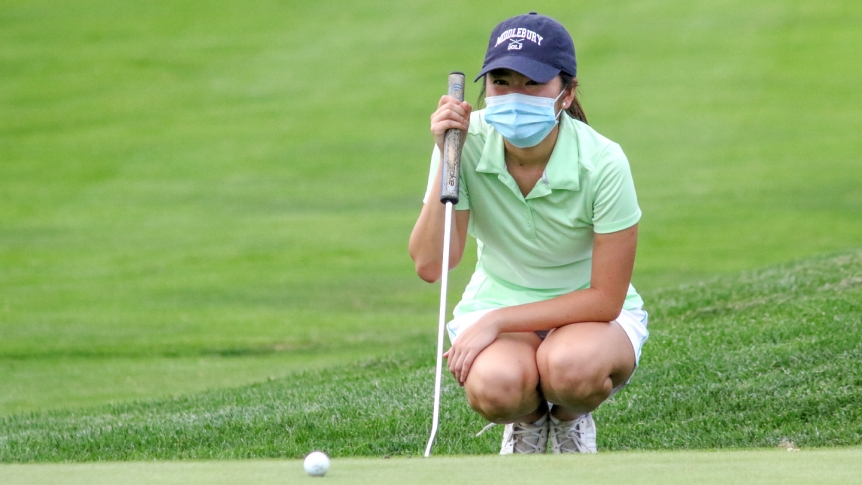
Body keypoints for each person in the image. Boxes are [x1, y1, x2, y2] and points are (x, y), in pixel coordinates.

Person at [409, 12, 648, 454]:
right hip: (500, 297)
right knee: (496, 387)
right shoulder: (463, 143)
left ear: (567, 92)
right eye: (501, 81)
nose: (514, 96)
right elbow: (430, 265)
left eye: (532, 83)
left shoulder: (603, 162)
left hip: (589, 316)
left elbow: (605, 298)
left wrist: (495, 322)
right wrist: (444, 157)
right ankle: (530, 425)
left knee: (570, 369)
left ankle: (571, 420)